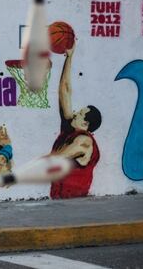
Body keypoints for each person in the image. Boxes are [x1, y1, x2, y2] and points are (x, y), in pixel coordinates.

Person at [50, 43, 101, 199]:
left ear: (85, 124)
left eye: (79, 114)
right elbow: (64, 90)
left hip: (75, 205)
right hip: (59, 201)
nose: (74, 113)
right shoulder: (70, 130)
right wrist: (69, 57)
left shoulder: (84, 142)